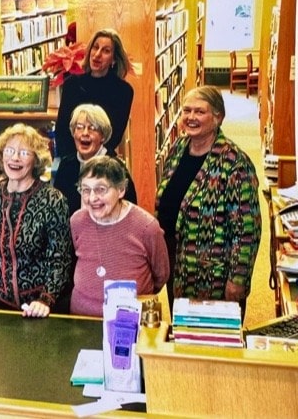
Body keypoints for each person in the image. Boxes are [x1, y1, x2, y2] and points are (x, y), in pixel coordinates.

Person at [155, 85, 261, 316]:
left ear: (218, 117)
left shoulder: (234, 163)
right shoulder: (178, 147)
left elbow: (248, 230)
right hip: (178, 262)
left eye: (200, 112)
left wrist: (238, 279)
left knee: (213, 339)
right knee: (182, 327)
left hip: (214, 275)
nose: (191, 117)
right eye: (186, 111)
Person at [0, 124, 73, 318]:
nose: (15, 158)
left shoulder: (53, 200)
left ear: (36, 160)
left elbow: (60, 259)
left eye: (24, 152)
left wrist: (45, 300)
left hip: (40, 310)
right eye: (10, 151)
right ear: (2, 155)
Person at [70, 156, 169, 317]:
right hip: (80, 320)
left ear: (121, 189)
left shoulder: (146, 227)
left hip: (129, 323)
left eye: (101, 189)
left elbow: (161, 275)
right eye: (86, 190)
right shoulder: (77, 221)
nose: (92, 198)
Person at [54, 28, 134, 158]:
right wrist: (73, 160)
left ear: (114, 59)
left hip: (102, 160)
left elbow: (113, 137)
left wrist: (91, 161)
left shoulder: (123, 91)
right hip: (72, 157)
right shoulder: (72, 85)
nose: (97, 54)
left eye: (106, 51)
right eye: (95, 48)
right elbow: (62, 130)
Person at [53, 103, 137, 215]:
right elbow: (58, 208)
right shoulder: (66, 165)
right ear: (73, 133)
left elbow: (130, 211)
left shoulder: (115, 168)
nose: (85, 133)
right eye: (79, 127)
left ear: (103, 136)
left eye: (92, 128)